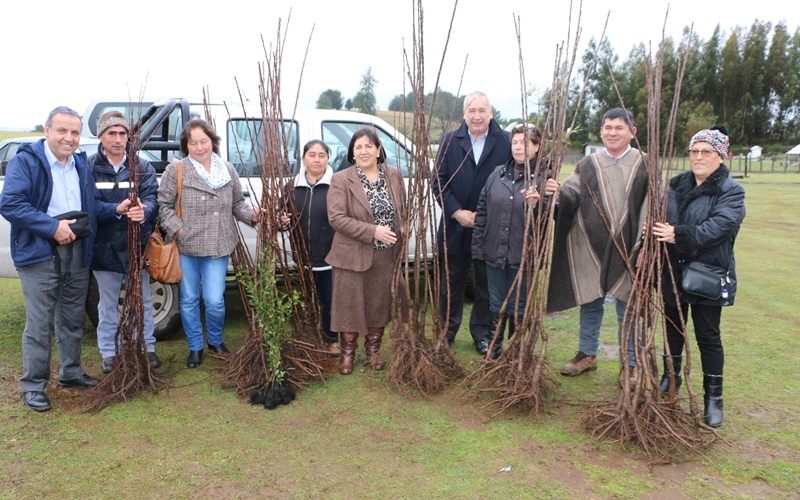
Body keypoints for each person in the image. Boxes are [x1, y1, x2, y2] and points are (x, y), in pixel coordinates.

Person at [0, 106, 134, 411]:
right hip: (40, 251)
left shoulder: (80, 165)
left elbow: (90, 207)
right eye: (62, 130)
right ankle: (33, 385)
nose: (69, 138)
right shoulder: (27, 162)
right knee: (39, 322)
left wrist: (116, 209)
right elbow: (10, 204)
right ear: (47, 131)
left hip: (77, 249)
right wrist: (52, 227)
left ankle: (70, 372)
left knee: (72, 316)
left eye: (74, 132)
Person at [652, 126, 745, 428]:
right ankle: (670, 378)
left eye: (706, 151)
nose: (699, 157)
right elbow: (662, 218)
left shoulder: (731, 191)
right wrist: (654, 231)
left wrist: (676, 234)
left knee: (708, 336)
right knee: (672, 329)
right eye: (694, 151)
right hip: (673, 271)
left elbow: (720, 227)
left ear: (720, 156)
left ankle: (713, 400)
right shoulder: (675, 185)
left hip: (706, 274)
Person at [546, 108, 646, 380]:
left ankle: (632, 365)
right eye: (608, 127)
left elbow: (653, 208)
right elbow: (571, 194)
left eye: (619, 128)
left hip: (630, 249)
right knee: (590, 301)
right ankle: (587, 354)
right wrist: (557, 194)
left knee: (628, 306)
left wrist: (645, 246)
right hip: (592, 247)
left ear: (632, 132)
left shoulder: (645, 165)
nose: (613, 132)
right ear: (601, 131)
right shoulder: (588, 164)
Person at [157, 119, 260, 368]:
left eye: (204, 141)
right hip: (187, 245)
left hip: (218, 243)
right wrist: (179, 230)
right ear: (186, 145)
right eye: (194, 143)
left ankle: (215, 340)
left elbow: (238, 203)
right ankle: (195, 347)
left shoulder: (227, 169)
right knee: (190, 298)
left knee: (214, 299)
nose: (200, 147)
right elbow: (164, 205)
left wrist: (253, 215)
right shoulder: (177, 170)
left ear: (213, 142)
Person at [433, 91, 512, 355]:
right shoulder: (449, 141)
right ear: (464, 114)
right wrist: (456, 212)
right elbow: (439, 182)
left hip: (490, 228)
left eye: (482, 110)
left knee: (485, 284)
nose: (477, 116)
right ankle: (447, 331)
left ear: (491, 113)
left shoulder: (505, 142)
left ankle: (481, 334)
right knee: (450, 283)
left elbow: (521, 173)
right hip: (454, 226)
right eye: (471, 110)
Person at [325, 127, 406, 375]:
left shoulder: (394, 175)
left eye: (368, 146)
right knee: (348, 305)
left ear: (379, 150)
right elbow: (336, 218)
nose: (363, 151)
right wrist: (372, 231)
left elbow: (403, 208)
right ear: (352, 152)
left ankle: (373, 351)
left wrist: (402, 226)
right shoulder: (341, 179)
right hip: (351, 254)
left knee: (378, 305)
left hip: (385, 255)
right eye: (358, 147)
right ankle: (348, 353)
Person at [89, 111, 161, 373]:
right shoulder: (88, 167)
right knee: (108, 304)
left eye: (123, 134)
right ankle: (109, 352)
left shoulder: (142, 167)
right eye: (112, 133)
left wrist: (145, 211)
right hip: (104, 247)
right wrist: (115, 210)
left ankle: (146, 348)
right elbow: (88, 206)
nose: (118, 139)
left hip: (136, 246)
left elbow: (153, 199)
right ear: (101, 136)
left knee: (142, 300)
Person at [472, 124, 549, 359]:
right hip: (495, 253)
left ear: (537, 147)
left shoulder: (545, 178)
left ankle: (515, 356)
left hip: (523, 255)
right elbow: (482, 212)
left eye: (525, 143)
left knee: (519, 307)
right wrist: (478, 248)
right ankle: (493, 355)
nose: (518, 147)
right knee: (495, 305)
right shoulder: (497, 174)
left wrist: (538, 205)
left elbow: (551, 216)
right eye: (515, 142)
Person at [280, 140, 338, 354]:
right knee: (306, 298)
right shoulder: (291, 187)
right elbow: (281, 216)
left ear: (327, 158)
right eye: (311, 155)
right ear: (303, 158)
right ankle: (309, 336)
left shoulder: (337, 184)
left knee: (329, 299)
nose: (316, 159)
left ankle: (331, 339)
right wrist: (282, 220)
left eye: (321, 155)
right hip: (302, 256)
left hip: (330, 256)